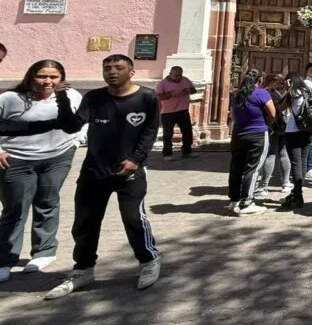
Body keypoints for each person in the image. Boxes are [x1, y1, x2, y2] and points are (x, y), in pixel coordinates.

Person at [44, 55, 161, 299]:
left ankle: (148, 260)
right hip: (94, 172)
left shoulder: (147, 97)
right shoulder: (94, 98)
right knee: (85, 224)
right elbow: (72, 126)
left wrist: (136, 160)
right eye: (107, 68)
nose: (112, 72)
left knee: (133, 219)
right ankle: (83, 270)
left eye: (119, 68)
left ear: (131, 72)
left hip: (130, 171)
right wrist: (62, 97)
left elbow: (150, 131)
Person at [0, 60, 82, 283]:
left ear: (61, 78)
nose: (48, 81)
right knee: (15, 209)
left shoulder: (72, 95)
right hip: (16, 161)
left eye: (54, 77)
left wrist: (76, 142)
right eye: (42, 76)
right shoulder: (10, 99)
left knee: (48, 202)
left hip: (57, 158)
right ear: (31, 76)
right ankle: (4, 259)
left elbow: (82, 120)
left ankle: (44, 252)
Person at [228, 69, 275, 216]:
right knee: (253, 168)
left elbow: (232, 115)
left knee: (236, 167)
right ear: (260, 80)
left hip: (238, 134)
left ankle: (234, 199)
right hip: (258, 134)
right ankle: (246, 202)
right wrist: (269, 124)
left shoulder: (236, 94)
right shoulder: (262, 93)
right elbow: (273, 114)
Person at [281, 73, 312, 210]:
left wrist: (287, 90)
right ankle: (297, 191)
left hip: (293, 131)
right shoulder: (309, 91)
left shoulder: (293, 93)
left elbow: (280, 108)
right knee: (303, 162)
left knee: (295, 163)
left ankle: (298, 196)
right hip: (307, 130)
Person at [257, 74, 291, 196]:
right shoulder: (271, 93)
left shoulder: (270, 92)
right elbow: (278, 108)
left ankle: (265, 185)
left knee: (274, 154)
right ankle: (282, 183)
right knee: (277, 154)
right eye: (280, 82)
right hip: (278, 126)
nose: (281, 84)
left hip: (276, 126)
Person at [154, 66, 196, 159]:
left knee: (187, 132)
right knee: (168, 134)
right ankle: (167, 154)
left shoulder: (185, 80)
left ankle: (187, 152)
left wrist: (188, 91)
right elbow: (158, 96)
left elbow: (194, 90)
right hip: (168, 112)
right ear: (170, 74)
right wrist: (171, 94)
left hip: (183, 110)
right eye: (176, 75)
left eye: (180, 75)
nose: (178, 77)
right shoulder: (163, 83)